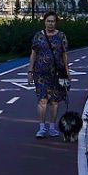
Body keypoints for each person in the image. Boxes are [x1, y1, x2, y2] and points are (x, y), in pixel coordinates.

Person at [26, 11, 70, 139]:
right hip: (40, 73)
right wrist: (30, 71)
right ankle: (41, 128)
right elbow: (33, 54)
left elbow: (64, 55)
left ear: (56, 22)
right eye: (48, 21)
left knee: (54, 101)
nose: (50, 24)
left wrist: (67, 71)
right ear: (44, 22)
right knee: (42, 100)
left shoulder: (61, 36)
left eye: (53, 21)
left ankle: (52, 127)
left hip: (57, 73)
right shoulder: (38, 36)